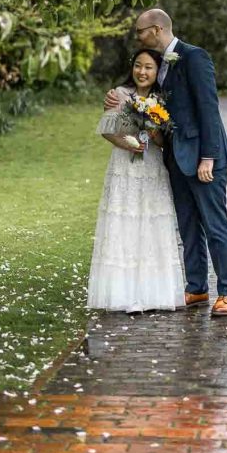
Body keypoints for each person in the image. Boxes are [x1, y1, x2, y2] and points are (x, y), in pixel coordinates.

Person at [105, 9, 227, 317]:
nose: (137, 37)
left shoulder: (194, 57)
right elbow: (148, 103)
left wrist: (209, 157)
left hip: (203, 158)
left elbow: (209, 108)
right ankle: (196, 288)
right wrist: (119, 100)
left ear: (155, 29)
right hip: (174, 157)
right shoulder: (159, 64)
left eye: (140, 32)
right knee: (188, 226)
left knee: (214, 224)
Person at [87, 48, 185, 314]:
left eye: (149, 67)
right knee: (125, 222)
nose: (142, 72)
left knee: (151, 222)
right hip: (124, 168)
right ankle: (124, 293)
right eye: (139, 66)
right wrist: (129, 143)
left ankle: (153, 293)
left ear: (157, 71)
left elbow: (166, 141)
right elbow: (107, 130)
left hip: (152, 168)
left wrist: (154, 134)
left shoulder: (162, 99)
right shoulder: (119, 95)